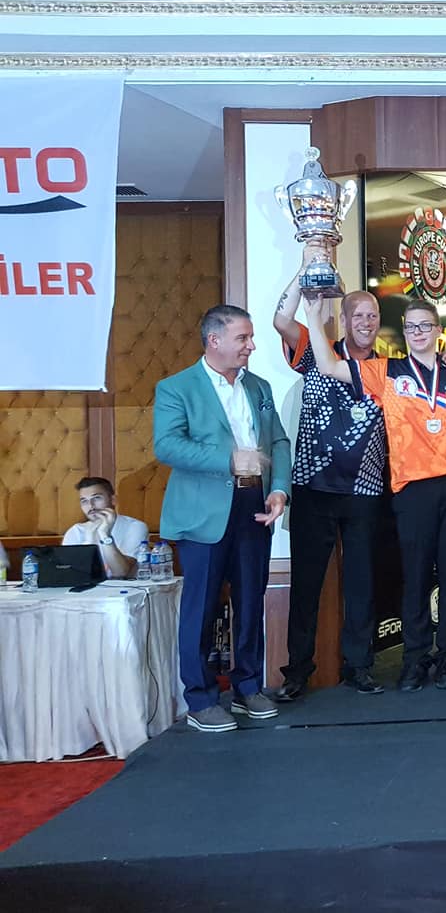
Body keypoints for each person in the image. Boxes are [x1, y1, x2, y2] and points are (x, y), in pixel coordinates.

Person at [303, 296, 446, 693]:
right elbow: (329, 366)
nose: (418, 332)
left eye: (425, 325)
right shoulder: (387, 371)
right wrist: (312, 318)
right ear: (404, 332)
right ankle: (415, 658)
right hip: (411, 488)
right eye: (410, 326)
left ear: (438, 331)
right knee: (416, 575)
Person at [154, 304, 291, 733]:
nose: (251, 346)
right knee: (202, 607)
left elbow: (279, 441)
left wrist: (279, 489)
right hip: (202, 513)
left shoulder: (259, 387)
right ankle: (200, 699)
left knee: (250, 601)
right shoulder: (176, 388)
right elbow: (167, 446)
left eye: (250, 338)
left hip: (254, 505)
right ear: (214, 341)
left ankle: (248, 687)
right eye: (243, 338)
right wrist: (229, 460)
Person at [272, 272, 389, 700]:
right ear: (343, 319)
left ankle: (359, 666)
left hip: (365, 491)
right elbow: (281, 320)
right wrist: (307, 269)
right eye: (358, 315)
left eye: (372, 315)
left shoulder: (387, 368)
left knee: (361, 584)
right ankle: (297, 671)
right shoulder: (316, 349)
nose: (366, 322)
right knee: (306, 585)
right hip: (313, 487)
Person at [61, 476, 150, 579]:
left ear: (113, 500)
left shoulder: (135, 527)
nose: (91, 506)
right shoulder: (75, 531)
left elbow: (121, 573)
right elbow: (71, 574)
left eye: (97, 498)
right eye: (84, 501)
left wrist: (105, 535)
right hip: (88, 588)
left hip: (125, 587)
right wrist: (89, 539)